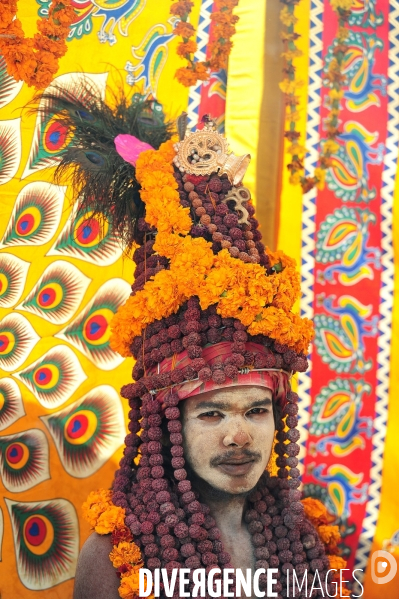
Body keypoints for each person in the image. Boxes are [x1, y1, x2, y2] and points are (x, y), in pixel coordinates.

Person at [44, 84, 348, 598]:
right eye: (211, 414)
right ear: (168, 423)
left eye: (256, 410)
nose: (239, 436)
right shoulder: (120, 556)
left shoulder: (307, 544)